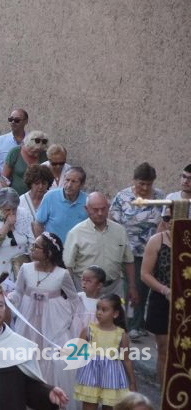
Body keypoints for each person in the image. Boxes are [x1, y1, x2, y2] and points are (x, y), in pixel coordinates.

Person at [9, 232, 82, 408]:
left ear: (48, 252)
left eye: (36, 246)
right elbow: (18, 292)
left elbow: (73, 298)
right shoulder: (26, 269)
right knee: (27, 355)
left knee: (52, 360)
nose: (32, 249)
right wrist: (9, 300)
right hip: (28, 320)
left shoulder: (62, 274)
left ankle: (51, 397)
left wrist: (67, 318)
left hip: (52, 322)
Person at [110, 162, 164, 340]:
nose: (145, 187)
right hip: (130, 251)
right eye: (141, 183)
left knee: (147, 289)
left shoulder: (159, 197)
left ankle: (141, 324)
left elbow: (164, 222)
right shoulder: (123, 197)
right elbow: (114, 221)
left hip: (153, 250)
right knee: (133, 288)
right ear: (134, 181)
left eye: (148, 184)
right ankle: (131, 324)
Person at [64, 192, 138, 302]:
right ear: (86, 209)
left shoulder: (119, 231)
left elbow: (128, 261)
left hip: (114, 288)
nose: (100, 213)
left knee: (116, 318)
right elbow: (68, 266)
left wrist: (132, 286)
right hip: (85, 290)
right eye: (95, 209)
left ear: (108, 207)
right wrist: (69, 292)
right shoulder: (76, 233)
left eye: (103, 209)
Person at [74, 294, 136, 407]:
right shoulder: (88, 330)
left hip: (112, 378)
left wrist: (132, 382)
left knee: (110, 406)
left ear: (115, 314)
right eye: (98, 308)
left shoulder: (121, 335)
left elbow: (126, 360)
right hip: (91, 376)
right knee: (88, 406)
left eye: (104, 310)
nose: (99, 312)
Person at [140, 220, 172, 385]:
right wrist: (165, 290)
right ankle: (165, 393)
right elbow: (145, 274)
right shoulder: (157, 240)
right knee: (164, 349)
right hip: (162, 299)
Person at [0, 188, 34, 282]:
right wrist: (7, 225)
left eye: (14, 209)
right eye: (7, 209)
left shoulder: (24, 214)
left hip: (21, 269)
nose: (12, 213)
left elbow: (32, 242)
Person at [33, 166, 89, 242]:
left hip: (77, 249)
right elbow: (38, 223)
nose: (69, 185)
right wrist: (42, 245)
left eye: (74, 181)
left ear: (82, 184)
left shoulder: (88, 201)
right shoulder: (50, 196)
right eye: (67, 180)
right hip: (53, 250)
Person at [1, 130, 49, 195]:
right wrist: (7, 195)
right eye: (34, 151)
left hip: (39, 196)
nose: (37, 154)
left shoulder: (44, 155)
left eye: (39, 151)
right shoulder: (15, 152)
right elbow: (4, 178)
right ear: (27, 145)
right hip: (16, 196)